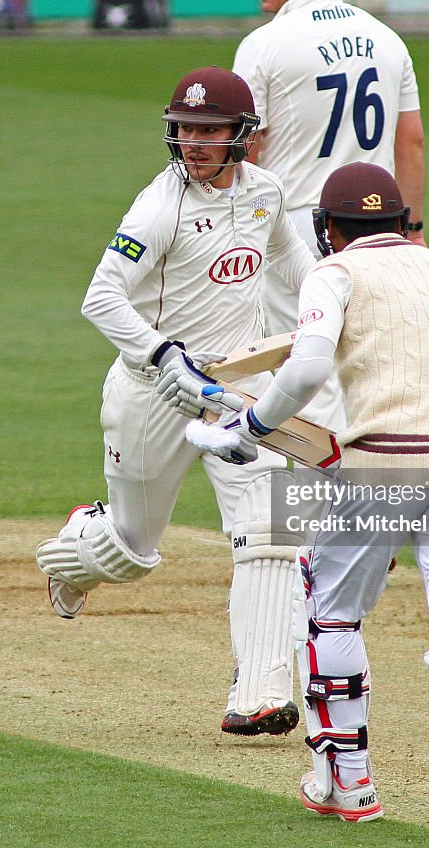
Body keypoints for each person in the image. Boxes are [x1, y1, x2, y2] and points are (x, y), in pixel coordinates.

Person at [184, 162, 429, 821]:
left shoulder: (335, 273)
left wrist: (252, 425)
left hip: (383, 466)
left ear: (329, 229)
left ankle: (348, 784)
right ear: (401, 221)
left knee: (330, 610)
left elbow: (310, 364)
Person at [35, 66, 318, 737]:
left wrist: (331, 308)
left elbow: (297, 266)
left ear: (241, 136)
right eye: (184, 129)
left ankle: (261, 692)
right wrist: (164, 356)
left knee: (271, 533)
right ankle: (79, 540)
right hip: (152, 393)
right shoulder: (158, 208)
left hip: (236, 392)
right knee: (131, 552)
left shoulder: (267, 194)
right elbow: (100, 297)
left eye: (208, 130)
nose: (193, 142)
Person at [233, 0, 427, 429]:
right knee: (369, 369)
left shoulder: (266, 43)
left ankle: (332, 507)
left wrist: (238, 232)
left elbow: (247, 148)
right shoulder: (386, 38)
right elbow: (411, 142)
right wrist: (414, 230)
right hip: (384, 231)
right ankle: (380, 498)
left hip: (299, 226)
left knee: (305, 374)